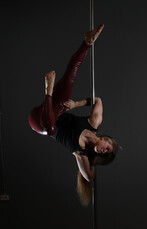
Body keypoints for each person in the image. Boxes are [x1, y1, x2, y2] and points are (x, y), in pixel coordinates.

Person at [28, 24, 120, 206]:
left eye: (105, 154)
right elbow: (97, 100)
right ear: (104, 139)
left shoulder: (82, 155)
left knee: (51, 128)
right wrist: (76, 104)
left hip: (40, 122)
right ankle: (87, 42)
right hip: (56, 109)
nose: (104, 151)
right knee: (71, 77)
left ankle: (48, 89)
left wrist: (90, 163)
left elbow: (89, 177)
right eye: (107, 147)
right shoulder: (94, 122)